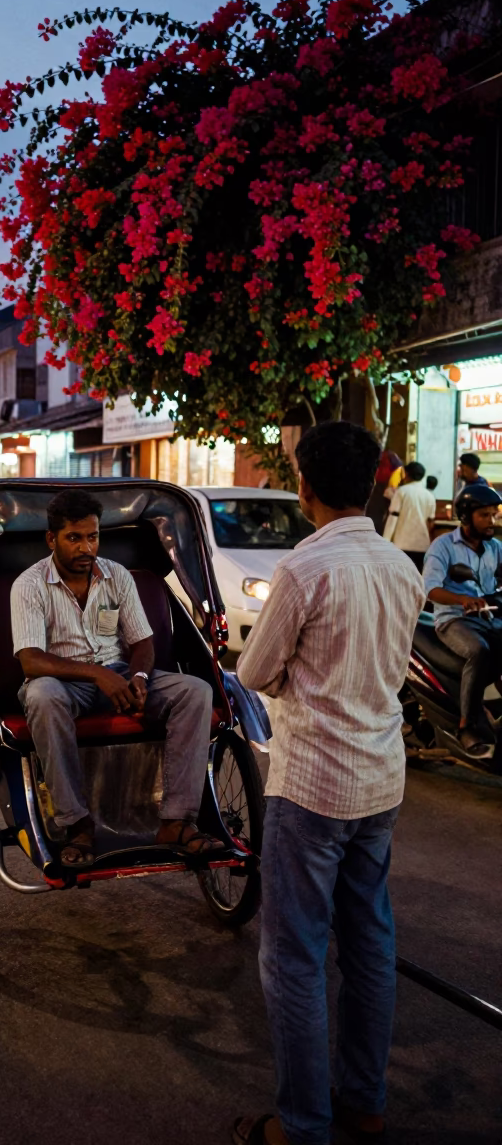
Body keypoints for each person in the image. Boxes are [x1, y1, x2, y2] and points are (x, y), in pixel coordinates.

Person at [232, 422, 425, 1145]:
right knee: (370, 943)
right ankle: (363, 1103)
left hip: (312, 784)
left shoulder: (305, 570)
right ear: (374, 484)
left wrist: (294, 682)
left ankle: (303, 1125)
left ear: (304, 488)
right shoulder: (401, 567)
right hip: (380, 780)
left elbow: (254, 674)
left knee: (295, 956)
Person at [10, 487, 221, 867]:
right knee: (41, 695)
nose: (85, 548)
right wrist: (95, 674)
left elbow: (142, 642)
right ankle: (76, 824)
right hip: (61, 684)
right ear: (51, 539)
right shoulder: (29, 584)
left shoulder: (116, 576)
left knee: (196, 691)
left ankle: (176, 819)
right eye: (73, 538)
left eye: (92, 537)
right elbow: (30, 661)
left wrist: (139, 677)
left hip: (119, 675)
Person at [423, 482, 502, 759]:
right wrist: (462, 600)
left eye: (494, 514)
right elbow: (430, 589)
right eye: (485, 515)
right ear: (467, 517)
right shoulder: (443, 546)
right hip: (453, 619)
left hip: (488, 616)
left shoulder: (495, 548)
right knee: (478, 651)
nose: (492, 521)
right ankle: (467, 726)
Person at [383, 461, 436, 571]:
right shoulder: (430, 496)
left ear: (406, 474)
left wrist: (385, 541)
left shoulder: (402, 492)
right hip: (422, 545)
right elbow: (430, 522)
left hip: (402, 545)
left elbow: (393, 517)